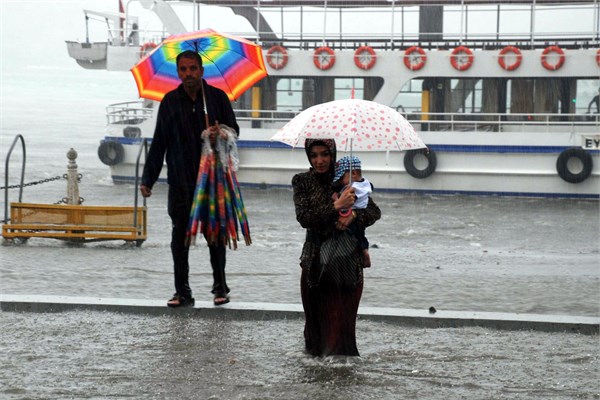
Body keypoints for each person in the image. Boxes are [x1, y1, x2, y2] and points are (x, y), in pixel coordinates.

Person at [140, 50, 239, 308]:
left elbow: (234, 130)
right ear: (178, 72)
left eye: (193, 68)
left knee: (214, 234)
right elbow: (159, 142)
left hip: (212, 181)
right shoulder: (170, 101)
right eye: (183, 69)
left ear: (201, 70)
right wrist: (147, 180)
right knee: (180, 237)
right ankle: (182, 291)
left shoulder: (217, 98)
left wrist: (222, 132)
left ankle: (220, 288)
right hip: (180, 182)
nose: (188, 74)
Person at [292, 139, 381, 357]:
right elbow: (305, 218)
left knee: (342, 324)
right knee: (315, 326)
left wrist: (354, 215)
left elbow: (374, 212)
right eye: (314, 155)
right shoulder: (302, 181)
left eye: (324, 154)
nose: (320, 160)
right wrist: (337, 207)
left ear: (332, 154)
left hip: (347, 265)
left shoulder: (346, 178)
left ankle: (342, 375)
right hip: (315, 263)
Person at [332, 155, 373, 268]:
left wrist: (336, 199)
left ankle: (364, 253)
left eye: (341, 178)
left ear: (353, 173)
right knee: (361, 235)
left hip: (354, 216)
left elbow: (347, 202)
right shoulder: (365, 184)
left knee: (356, 235)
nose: (340, 182)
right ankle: (365, 250)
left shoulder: (353, 188)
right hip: (361, 215)